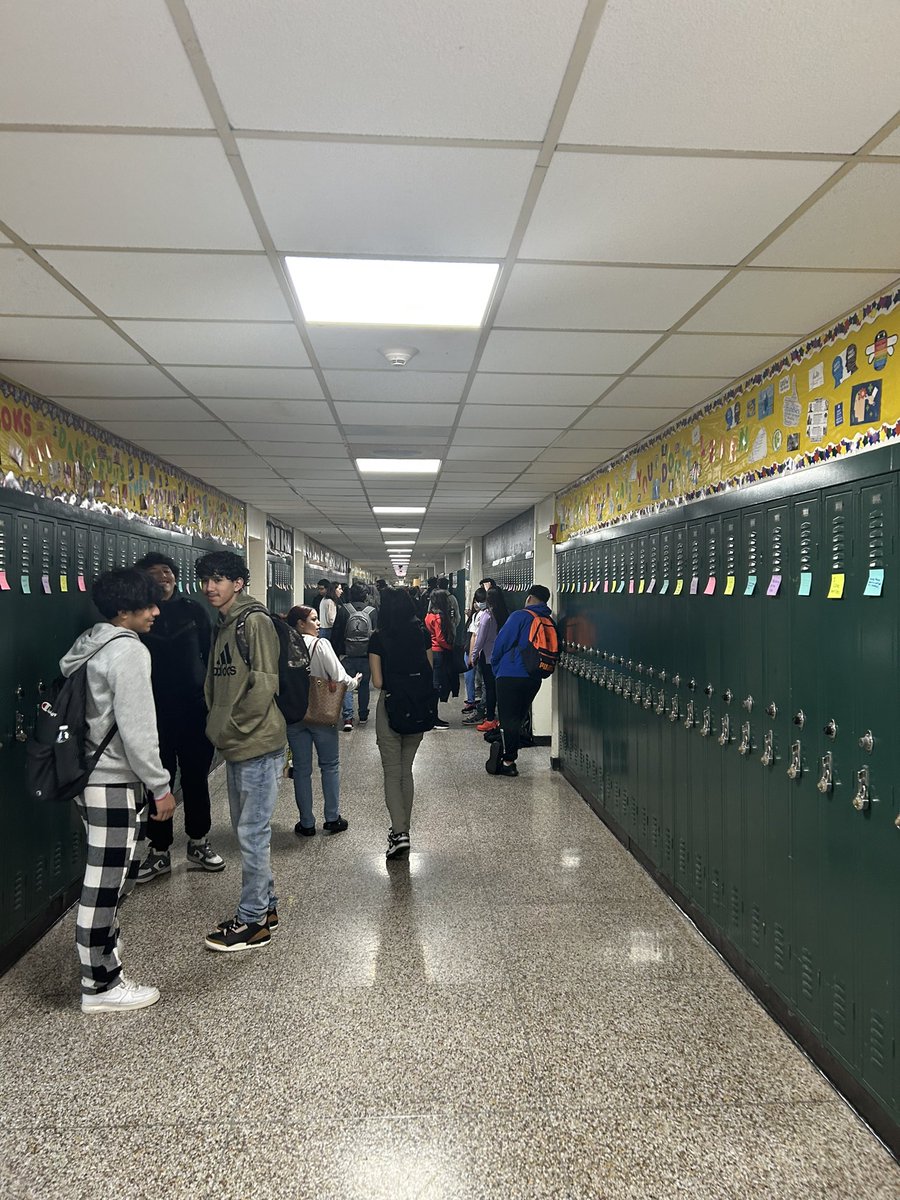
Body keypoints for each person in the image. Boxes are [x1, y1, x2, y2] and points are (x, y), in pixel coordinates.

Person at [60, 568, 177, 1013]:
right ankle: (100, 985)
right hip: (111, 781)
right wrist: (160, 785)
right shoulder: (128, 652)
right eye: (147, 605)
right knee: (105, 882)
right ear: (124, 611)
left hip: (89, 778)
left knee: (113, 873)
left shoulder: (94, 640)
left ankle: (104, 952)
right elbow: (138, 728)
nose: (156, 611)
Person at [196, 551, 286, 952]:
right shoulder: (225, 623)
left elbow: (265, 684)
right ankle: (265, 908)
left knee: (251, 834)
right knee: (248, 831)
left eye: (219, 579)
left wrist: (232, 728)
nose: (210, 587)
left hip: (255, 743)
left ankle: (251, 923)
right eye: (205, 579)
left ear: (239, 583)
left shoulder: (255, 622)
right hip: (236, 744)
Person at [132, 552, 222, 883]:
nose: (162, 577)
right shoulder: (138, 616)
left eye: (167, 571)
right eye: (154, 573)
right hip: (153, 712)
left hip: (193, 708)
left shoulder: (192, 609)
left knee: (196, 777)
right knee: (159, 781)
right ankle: (159, 850)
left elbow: (208, 654)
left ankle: (198, 842)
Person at [284, 605, 360, 836]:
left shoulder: (284, 645)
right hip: (320, 713)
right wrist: (354, 681)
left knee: (301, 770)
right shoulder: (320, 644)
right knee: (329, 766)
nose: (318, 624)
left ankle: (306, 822)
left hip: (294, 715)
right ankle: (332, 817)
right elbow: (339, 677)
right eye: (313, 619)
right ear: (300, 623)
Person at [368, 587, 433, 859]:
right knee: (406, 771)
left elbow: (378, 682)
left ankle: (400, 833)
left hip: (391, 707)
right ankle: (403, 830)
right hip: (418, 707)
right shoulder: (422, 634)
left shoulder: (379, 638)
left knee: (392, 773)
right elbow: (429, 671)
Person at [488, 584, 555, 777]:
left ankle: (509, 761)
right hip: (534, 677)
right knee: (518, 717)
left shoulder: (520, 616)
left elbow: (501, 643)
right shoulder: (547, 619)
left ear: (529, 598)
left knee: (508, 717)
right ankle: (507, 752)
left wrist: (496, 667)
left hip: (510, 675)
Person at [331, 581, 377, 730]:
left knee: (347, 685)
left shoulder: (344, 610)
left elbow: (337, 633)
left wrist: (335, 654)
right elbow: (376, 635)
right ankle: (363, 716)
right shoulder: (372, 611)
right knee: (364, 685)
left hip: (347, 654)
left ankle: (348, 718)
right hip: (366, 654)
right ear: (366, 595)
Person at [474, 586, 509, 734]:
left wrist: (473, 655)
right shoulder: (505, 615)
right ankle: (502, 719)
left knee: (489, 689)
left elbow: (480, 639)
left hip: (488, 657)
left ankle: (490, 719)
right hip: (501, 657)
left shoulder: (487, 616)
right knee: (499, 689)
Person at [425, 588, 454, 729]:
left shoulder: (429, 615)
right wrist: (450, 647)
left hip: (431, 651)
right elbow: (441, 638)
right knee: (436, 686)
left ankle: (431, 715)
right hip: (439, 652)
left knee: (433, 684)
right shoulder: (439, 617)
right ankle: (433, 718)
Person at [462, 586, 487, 721]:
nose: (478, 604)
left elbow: (476, 636)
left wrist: (473, 654)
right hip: (472, 650)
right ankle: (472, 701)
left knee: (483, 681)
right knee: (470, 677)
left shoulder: (484, 615)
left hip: (480, 652)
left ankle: (481, 708)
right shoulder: (475, 615)